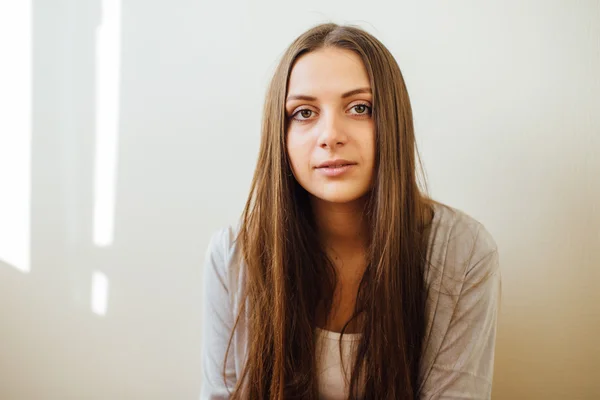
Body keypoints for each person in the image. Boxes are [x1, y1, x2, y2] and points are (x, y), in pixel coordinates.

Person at [200, 22, 501, 400]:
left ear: (392, 122)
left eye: (360, 108)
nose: (330, 135)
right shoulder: (234, 256)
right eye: (304, 113)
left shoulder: (463, 252)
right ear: (281, 133)